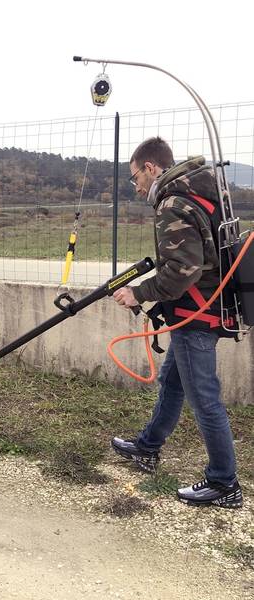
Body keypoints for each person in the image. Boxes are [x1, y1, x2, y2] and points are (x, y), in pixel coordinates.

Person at [111, 137, 243, 509]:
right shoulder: (200, 194)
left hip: (195, 315)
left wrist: (138, 293)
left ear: (151, 168)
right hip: (205, 310)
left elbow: (182, 270)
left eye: (135, 176)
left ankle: (224, 483)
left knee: (205, 399)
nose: (135, 187)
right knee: (172, 383)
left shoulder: (173, 203)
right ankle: (147, 447)